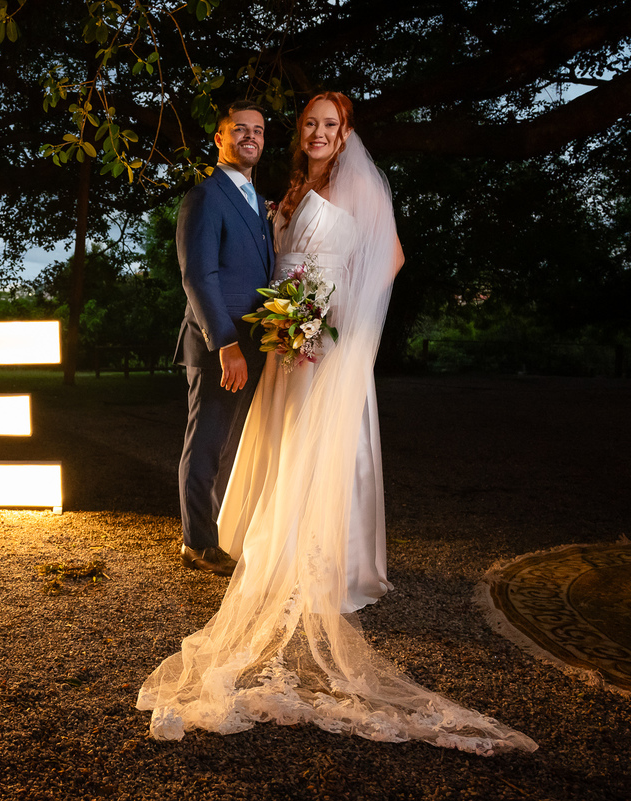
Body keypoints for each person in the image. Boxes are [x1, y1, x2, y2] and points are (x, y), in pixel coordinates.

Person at [138, 92, 537, 754]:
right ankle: (220, 539)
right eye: (310, 124)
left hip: (316, 337)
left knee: (318, 443)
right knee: (274, 438)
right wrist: (275, 320)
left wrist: (337, 315)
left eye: (330, 124)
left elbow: (390, 258)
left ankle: (325, 559)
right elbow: (224, 268)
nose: (318, 132)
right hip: (273, 336)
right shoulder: (274, 189)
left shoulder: (347, 187)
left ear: (344, 133)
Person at [174, 100, 274, 577]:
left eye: (258, 130)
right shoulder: (205, 197)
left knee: (230, 445)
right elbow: (198, 275)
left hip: (255, 344)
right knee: (207, 443)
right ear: (219, 139)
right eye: (239, 129)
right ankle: (197, 543)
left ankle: (220, 530)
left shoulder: (258, 202)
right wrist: (226, 344)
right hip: (221, 344)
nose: (250, 136)